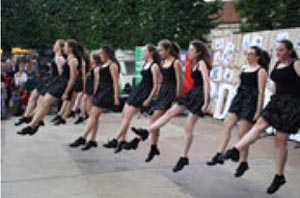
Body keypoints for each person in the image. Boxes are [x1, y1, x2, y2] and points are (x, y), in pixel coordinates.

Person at [222, 39, 300, 194]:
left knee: (280, 140)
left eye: (281, 50)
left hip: (292, 104)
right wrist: (274, 99)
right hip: (277, 101)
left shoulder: (296, 63)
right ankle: (236, 150)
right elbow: (277, 84)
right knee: (259, 125)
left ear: (289, 51)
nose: (278, 53)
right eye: (276, 50)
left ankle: (279, 176)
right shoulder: (277, 64)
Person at [130, 40, 210, 172]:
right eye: (189, 49)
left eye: (191, 50)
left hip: (200, 96)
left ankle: (183, 157)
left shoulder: (201, 63)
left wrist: (206, 102)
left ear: (198, 52)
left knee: (188, 128)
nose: (189, 52)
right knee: (169, 113)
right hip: (192, 93)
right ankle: (146, 131)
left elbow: (206, 83)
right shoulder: (193, 63)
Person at [207, 46, 269, 177]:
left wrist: (258, 111)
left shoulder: (261, 71)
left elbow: (261, 92)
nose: (248, 56)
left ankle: (243, 162)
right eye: (247, 54)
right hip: (239, 98)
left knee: (242, 133)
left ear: (258, 56)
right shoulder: (244, 68)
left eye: (251, 54)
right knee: (226, 124)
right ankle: (218, 154)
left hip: (250, 102)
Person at [124, 39, 182, 163]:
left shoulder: (176, 62)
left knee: (155, 118)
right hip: (163, 91)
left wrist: (176, 99)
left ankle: (138, 141)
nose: (159, 52)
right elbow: (161, 78)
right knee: (154, 120)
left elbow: (179, 82)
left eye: (161, 50)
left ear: (168, 50)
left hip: (171, 92)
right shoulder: (162, 62)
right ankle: (153, 147)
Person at [102, 43, 161, 153]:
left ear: (151, 53)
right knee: (124, 114)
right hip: (138, 89)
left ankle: (115, 139)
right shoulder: (146, 63)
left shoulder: (154, 66)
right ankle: (122, 140)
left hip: (144, 92)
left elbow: (156, 84)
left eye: (145, 51)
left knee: (128, 116)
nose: (143, 53)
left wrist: (148, 98)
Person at [17, 39, 80, 135]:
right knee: (43, 102)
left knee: (45, 102)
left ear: (70, 48)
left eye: (66, 46)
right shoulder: (68, 59)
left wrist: (66, 92)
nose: (64, 48)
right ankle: (34, 123)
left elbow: (72, 78)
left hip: (62, 84)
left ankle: (32, 124)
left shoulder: (73, 61)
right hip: (59, 83)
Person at [69, 45, 120, 151]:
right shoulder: (104, 65)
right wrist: (95, 92)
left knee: (93, 115)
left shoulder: (113, 65)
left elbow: (115, 83)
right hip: (101, 91)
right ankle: (92, 140)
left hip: (107, 92)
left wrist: (116, 97)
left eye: (101, 53)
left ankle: (83, 137)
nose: (100, 55)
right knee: (94, 116)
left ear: (106, 53)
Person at [14, 39, 65, 126]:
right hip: (49, 79)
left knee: (40, 100)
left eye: (55, 44)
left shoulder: (59, 58)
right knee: (34, 97)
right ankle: (28, 116)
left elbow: (61, 73)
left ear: (60, 47)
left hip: (52, 80)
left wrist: (58, 85)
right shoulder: (57, 56)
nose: (53, 45)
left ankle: (30, 117)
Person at [51, 45, 87, 125]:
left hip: (78, 79)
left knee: (72, 99)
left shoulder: (79, 59)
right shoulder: (77, 59)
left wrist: (84, 86)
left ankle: (66, 115)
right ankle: (63, 115)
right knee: (70, 99)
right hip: (77, 78)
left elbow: (83, 72)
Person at [74, 52, 102, 124]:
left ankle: (87, 115)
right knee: (85, 99)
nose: (90, 59)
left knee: (87, 100)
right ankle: (83, 114)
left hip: (92, 86)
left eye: (91, 58)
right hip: (89, 85)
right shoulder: (92, 67)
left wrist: (96, 90)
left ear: (95, 60)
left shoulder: (97, 68)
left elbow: (97, 79)